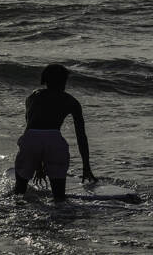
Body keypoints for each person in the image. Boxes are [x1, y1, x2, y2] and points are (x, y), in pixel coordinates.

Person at [13, 64, 96, 200]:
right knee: (59, 197)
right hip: (55, 141)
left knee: (20, 191)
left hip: (30, 139)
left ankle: (16, 213)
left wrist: (38, 166)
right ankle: (61, 216)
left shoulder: (33, 97)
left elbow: (32, 132)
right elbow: (81, 136)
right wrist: (86, 166)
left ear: (44, 80)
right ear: (64, 81)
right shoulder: (71, 101)